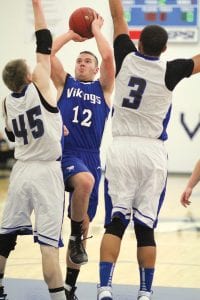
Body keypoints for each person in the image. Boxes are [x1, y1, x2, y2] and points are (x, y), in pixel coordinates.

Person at [97, 1, 200, 300]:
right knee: (145, 228)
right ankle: (145, 292)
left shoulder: (125, 56)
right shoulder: (172, 70)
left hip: (122, 148)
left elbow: (117, 15)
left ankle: (104, 288)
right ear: (165, 49)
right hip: (153, 152)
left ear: (138, 42)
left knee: (115, 222)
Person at [0, 1, 66, 299]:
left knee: (5, 235)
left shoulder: (5, 103)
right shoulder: (40, 84)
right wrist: (37, 5)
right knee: (48, 244)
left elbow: (12, 132)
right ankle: (56, 296)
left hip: (21, 170)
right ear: (29, 77)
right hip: (46, 171)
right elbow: (44, 42)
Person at [50, 10, 115, 300]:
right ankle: (74, 238)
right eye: (79, 60)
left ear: (96, 69)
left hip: (91, 157)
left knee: (84, 230)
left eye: (87, 61)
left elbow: (110, 59)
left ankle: (68, 289)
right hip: (67, 154)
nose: (81, 63)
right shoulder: (65, 84)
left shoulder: (104, 90)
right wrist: (71, 35)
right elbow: (47, 55)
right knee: (85, 183)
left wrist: (97, 31)